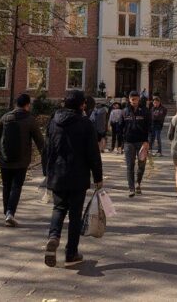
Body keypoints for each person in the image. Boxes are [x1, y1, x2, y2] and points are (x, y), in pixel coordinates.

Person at [42, 90, 103, 267]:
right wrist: (98, 177)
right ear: (81, 105)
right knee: (75, 215)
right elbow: (93, 153)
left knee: (58, 208)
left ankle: (53, 237)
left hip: (57, 173)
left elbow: (47, 148)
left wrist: (47, 171)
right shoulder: (85, 123)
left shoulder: (53, 122)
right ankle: (71, 252)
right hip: (78, 174)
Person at [0, 93, 45, 227]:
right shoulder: (30, 120)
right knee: (16, 186)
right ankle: (10, 213)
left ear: (16, 104)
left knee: (6, 186)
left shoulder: (5, 117)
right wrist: (45, 155)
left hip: (4, 159)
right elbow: (40, 141)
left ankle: (7, 212)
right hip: (21, 160)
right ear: (27, 105)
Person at [122, 90, 151, 198]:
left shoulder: (145, 111)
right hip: (128, 142)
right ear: (129, 100)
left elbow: (149, 127)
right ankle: (131, 188)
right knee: (130, 166)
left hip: (141, 142)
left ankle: (138, 182)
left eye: (136, 99)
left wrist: (147, 142)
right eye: (132, 99)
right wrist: (120, 144)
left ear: (139, 99)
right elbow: (121, 127)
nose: (134, 101)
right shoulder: (124, 112)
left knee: (141, 165)